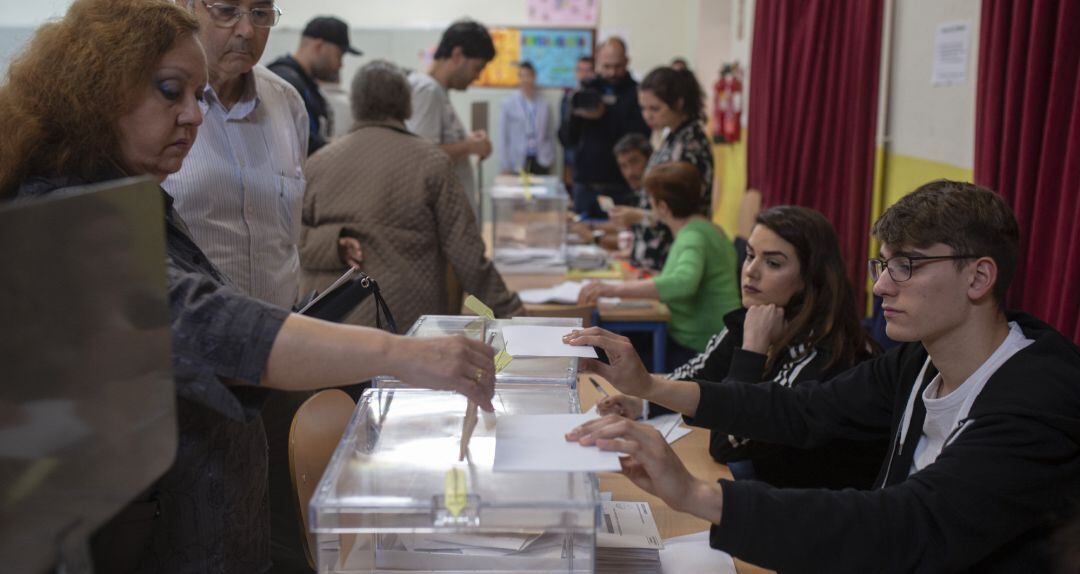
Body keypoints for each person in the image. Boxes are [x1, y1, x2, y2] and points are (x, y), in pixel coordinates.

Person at [0, 2, 498, 572]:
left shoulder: (136, 191)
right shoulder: (61, 210)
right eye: (171, 92)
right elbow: (204, 323)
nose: (193, 115)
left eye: (197, 95)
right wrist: (405, 354)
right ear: (96, 90)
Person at [565, 180, 1080, 573]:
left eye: (908, 265)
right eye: (884, 263)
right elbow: (801, 409)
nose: (881, 286)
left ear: (979, 277)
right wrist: (650, 388)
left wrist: (698, 495)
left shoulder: (1033, 403)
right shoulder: (920, 361)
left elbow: (908, 523)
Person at [597, 206, 886, 490]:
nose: (751, 271)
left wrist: (752, 352)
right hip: (764, 482)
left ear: (811, 278)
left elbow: (725, 444)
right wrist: (644, 401)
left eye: (772, 263)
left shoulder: (826, 354)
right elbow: (699, 372)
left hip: (805, 504)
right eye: (749, 256)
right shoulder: (759, 313)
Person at [301, 60, 523, 331]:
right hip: (407, 323)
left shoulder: (317, 163)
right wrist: (508, 309)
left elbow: (289, 240)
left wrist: (333, 243)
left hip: (330, 324)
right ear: (407, 104)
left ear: (356, 104)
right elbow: (466, 253)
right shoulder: (432, 162)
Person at [162, 0, 307, 309]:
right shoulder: (155, 104)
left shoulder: (287, 103)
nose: (247, 30)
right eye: (227, 10)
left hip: (282, 337)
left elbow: (287, 242)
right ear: (186, 8)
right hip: (193, 342)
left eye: (260, 13)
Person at [578, 163, 740, 368]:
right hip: (712, 339)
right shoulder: (707, 229)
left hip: (699, 347)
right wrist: (658, 274)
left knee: (602, 354)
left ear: (662, 207)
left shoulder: (693, 236)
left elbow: (684, 283)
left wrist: (611, 289)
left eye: (651, 202)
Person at [620, 65, 715, 272]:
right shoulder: (672, 136)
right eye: (643, 108)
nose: (647, 116)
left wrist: (638, 216)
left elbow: (682, 211)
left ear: (678, 104)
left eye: (655, 109)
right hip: (655, 252)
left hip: (673, 255)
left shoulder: (691, 144)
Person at [406, 20, 495, 213]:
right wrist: (469, 146)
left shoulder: (437, 91)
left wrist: (469, 144)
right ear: (457, 55)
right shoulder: (426, 90)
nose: (477, 76)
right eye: (477, 68)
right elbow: (421, 158)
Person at [559, 37, 649, 218]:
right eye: (606, 66)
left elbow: (641, 137)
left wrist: (605, 115)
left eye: (618, 66)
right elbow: (566, 139)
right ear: (597, 63)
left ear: (627, 62)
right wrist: (577, 117)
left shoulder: (637, 93)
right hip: (587, 187)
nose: (612, 72)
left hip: (623, 186)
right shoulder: (585, 91)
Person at [268, 16, 361, 155]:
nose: (341, 65)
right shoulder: (285, 82)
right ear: (319, 47)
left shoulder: (305, 84)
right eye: (339, 55)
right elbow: (293, 144)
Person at [498, 61, 554, 175]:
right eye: (522, 76)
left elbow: (549, 134)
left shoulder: (544, 105)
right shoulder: (508, 104)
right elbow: (503, 136)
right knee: (519, 192)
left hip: (540, 159)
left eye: (528, 76)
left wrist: (550, 157)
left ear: (534, 77)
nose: (525, 80)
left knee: (540, 191)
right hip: (517, 160)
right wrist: (505, 164)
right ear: (518, 78)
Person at [559, 55, 594, 190]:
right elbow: (564, 130)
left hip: (594, 160)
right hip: (572, 158)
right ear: (576, 73)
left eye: (588, 70)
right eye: (581, 70)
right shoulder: (568, 98)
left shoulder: (599, 97)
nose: (584, 74)